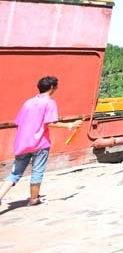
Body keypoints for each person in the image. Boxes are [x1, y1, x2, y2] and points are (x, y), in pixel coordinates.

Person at [0, 76, 81, 207]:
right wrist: (70, 125)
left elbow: (18, 122)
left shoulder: (28, 102)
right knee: (37, 171)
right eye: (56, 86)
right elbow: (50, 122)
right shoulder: (49, 103)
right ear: (52, 87)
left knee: (15, 173)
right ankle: (33, 199)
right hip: (40, 144)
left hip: (23, 143)